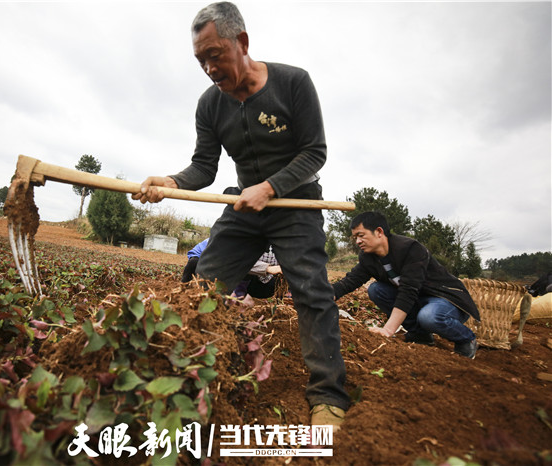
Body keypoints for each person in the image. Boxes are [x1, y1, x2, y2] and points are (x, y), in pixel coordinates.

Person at [132, 1, 350, 428]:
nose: (210, 68)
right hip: (244, 207)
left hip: (295, 204)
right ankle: (191, 370)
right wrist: (172, 182)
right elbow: (203, 167)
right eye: (201, 61)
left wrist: (270, 188)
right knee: (204, 284)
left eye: (215, 55)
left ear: (242, 42)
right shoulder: (209, 106)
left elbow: (315, 152)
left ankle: (328, 394)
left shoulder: (293, 83)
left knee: (311, 290)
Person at [332, 211, 481, 358]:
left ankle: (466, 339)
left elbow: (408, 290)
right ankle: (420, 334)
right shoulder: (368, 258)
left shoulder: (410, 249)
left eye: (361, 235)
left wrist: (388, 330)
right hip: (418, 300)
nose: (357, 241)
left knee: (428, 316)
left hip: (444, 299)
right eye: (355, 237)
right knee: (376, 290)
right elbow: (350, 281)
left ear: (379, 232)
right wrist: (324, 294)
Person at [183, 239, 282, 308]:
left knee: (248, 274)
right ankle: (183, 291)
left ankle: (238, 296)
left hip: (231, 265)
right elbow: (235, 261)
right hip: (206, 260)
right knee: (194, 264)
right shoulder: (230, 240)